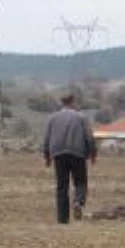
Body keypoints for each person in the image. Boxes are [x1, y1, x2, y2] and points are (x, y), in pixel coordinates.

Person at [42, 93, 97, 223]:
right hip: (77, 153)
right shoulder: (81, 117)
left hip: (58, 154)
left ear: (62, 102)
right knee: (80, 182)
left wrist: (47, 156)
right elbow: (89, 137)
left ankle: (62, 219)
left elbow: (47, 138)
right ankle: (78, 201)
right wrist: (92, 153)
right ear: (73, 101)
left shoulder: (52, 118)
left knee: (62, 186)